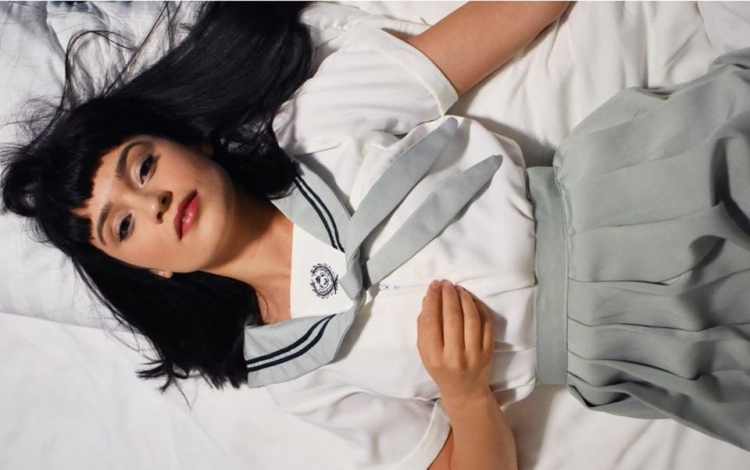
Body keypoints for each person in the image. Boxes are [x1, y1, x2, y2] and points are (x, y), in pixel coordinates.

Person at [1, 1, 748, 469]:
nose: (155, 202)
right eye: (123, 224)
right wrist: (467, 398)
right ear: (147, 269)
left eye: (141, 166)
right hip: (648, 349)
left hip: (643, 183)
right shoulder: (296, 380)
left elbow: (513, 13)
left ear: (184, 142)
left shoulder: (322, 123)